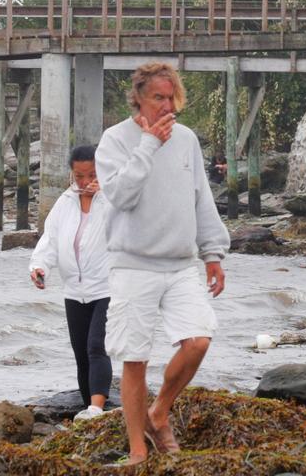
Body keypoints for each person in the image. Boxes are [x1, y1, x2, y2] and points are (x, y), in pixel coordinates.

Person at [95, 62, 229, 465]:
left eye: (171, 97)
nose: (167, 105)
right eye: (158, 97)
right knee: (134, 358)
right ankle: (138, 449)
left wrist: (213, 253)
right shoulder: (114, 140)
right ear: (137, 97)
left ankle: (160, 411)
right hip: (132, 264)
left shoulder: (187, 139)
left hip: (181, 262)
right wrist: (149, 143)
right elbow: (119, 196)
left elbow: (200, 198)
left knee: (199, 340)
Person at [28, 144, 113, 421]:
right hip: (74, 290)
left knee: (96, 345)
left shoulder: (114, 199)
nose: (86, 182)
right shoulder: (65, 202)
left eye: (91, 175)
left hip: (107, 287)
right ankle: (90, 407)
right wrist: (40, 268)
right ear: (72, 174)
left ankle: (98, 408)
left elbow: (135, 223)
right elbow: (50, 240)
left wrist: (108, 193)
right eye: (79, 176)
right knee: (80, 352)